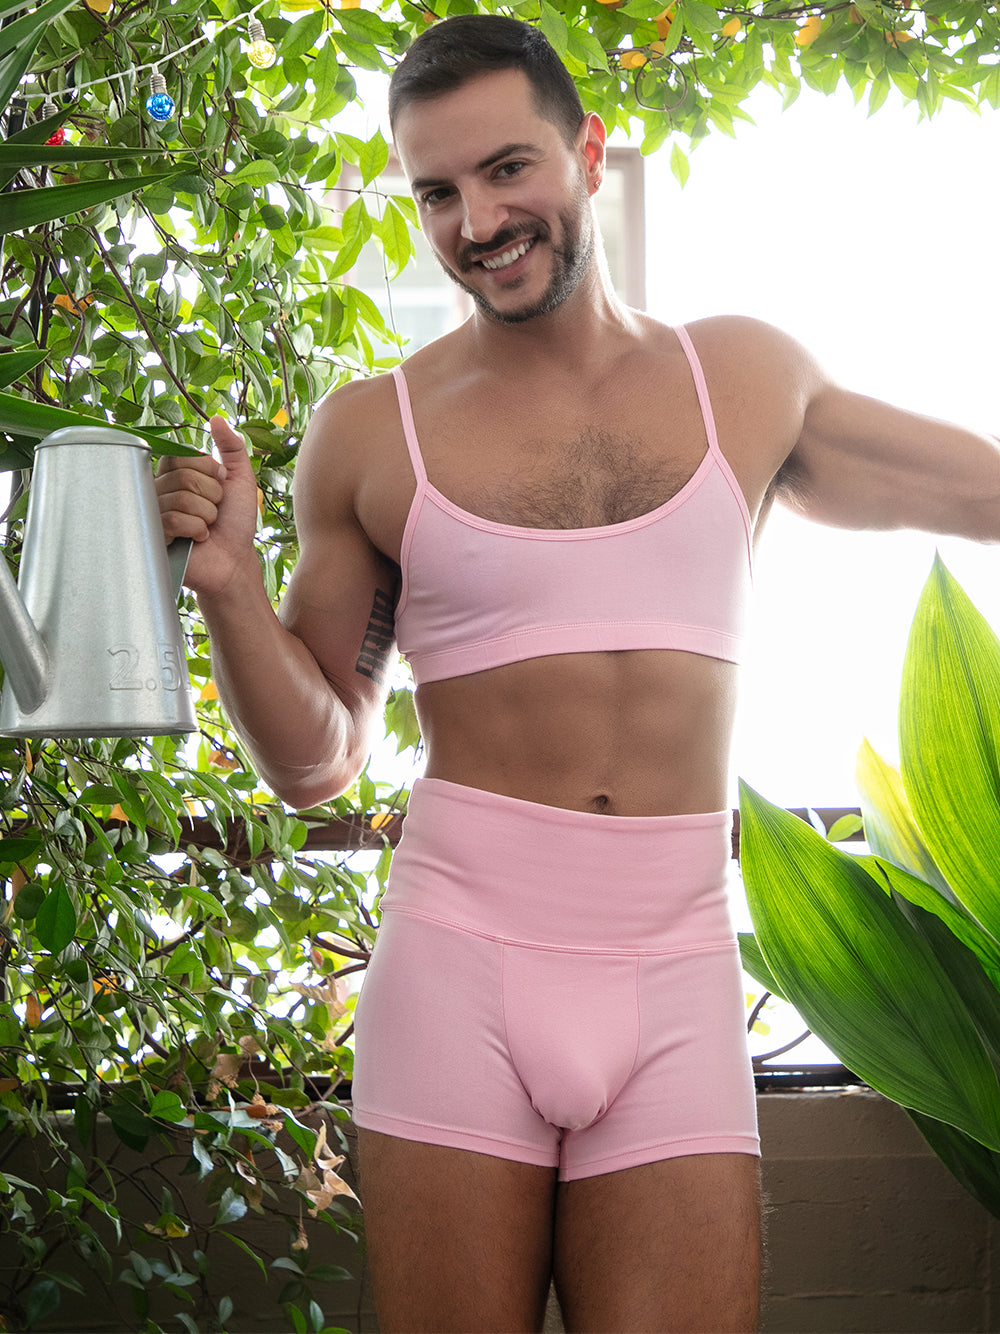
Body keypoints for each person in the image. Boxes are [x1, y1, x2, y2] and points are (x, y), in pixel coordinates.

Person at [156, 15, 1000, 1332]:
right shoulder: (371, 433)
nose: (478, 222)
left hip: (674, 959)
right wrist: (227, 592)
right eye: (438, 192)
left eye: (507, 170)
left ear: (588, 152)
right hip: (460, 960)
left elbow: (981, 492)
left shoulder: (743, 380)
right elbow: (317, 759)